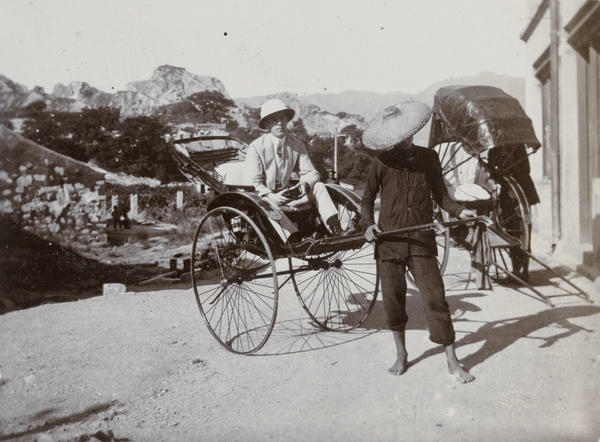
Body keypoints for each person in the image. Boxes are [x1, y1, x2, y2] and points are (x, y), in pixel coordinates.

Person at [360, 101, 476, 383]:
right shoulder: (381, 162)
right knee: (393, 301)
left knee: (436, 299)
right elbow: (366, 200)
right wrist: (368, 225)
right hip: (390, 241)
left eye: (409, 132)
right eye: (400, 135)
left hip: (422, 240)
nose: (407, 138)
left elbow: (442, 196)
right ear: (392, 137)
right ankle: (401, 354)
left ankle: (452, 359)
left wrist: (461, 211)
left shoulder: (428, 158)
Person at [245, 98, 345, 238]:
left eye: (282, 118)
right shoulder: (256, 147)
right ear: (267, 124)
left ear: (287, 120)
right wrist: (270, 195)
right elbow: (253, 182)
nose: (279, 123)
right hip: (268, 201)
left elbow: (311, 172)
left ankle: (336, 228)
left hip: (289, 197)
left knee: (319, 186)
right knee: (266, 202)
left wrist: (305, 183)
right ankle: (295, 238)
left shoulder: (296, 144)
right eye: (274, 119)